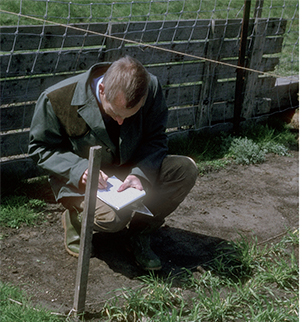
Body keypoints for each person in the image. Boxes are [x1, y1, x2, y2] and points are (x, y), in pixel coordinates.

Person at [29, 55, 198, 270]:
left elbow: (156, 138)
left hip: (127, 172)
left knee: (185, 170)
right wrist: (80, 169)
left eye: (130, 116)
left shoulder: (150, 88)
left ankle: (139, 233)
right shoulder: (56, 98)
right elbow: (40, 148)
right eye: (115, 113)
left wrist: (141, 173)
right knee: (112, 219)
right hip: (80, 179)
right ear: (102, 90)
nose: (121, 121)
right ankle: (75, 221)